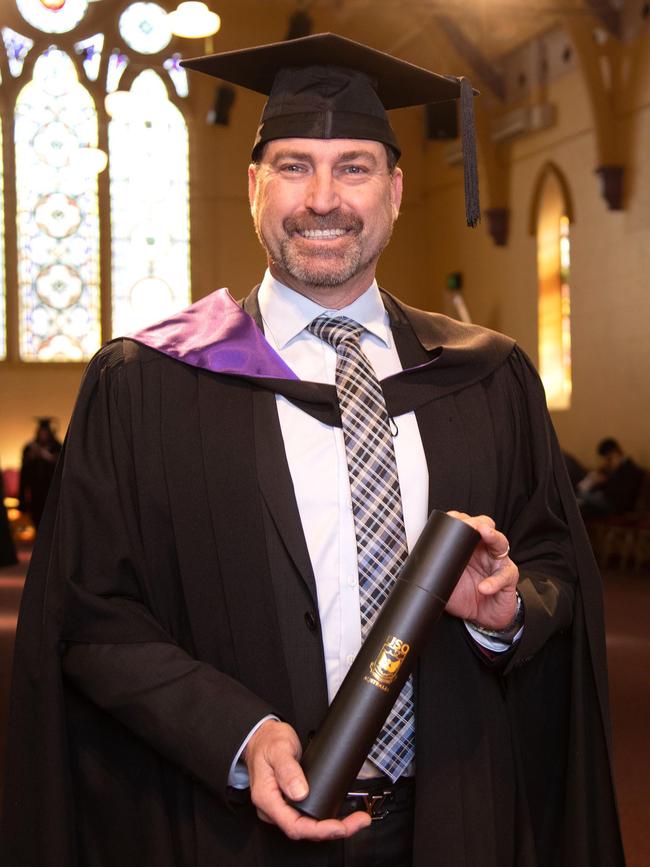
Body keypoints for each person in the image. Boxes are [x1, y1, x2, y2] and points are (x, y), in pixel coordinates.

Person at [1, 33, 625, 867]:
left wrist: (511, 613)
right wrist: (241, 732)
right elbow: (93, 615)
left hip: (456, 813)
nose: (323, 198)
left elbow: (556, 560)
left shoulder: (487, 378)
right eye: (294, 165)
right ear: (254, 184)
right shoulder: (147, 384)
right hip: (234, 829)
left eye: (355, 167)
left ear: (398, 192)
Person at [577, 437, 645, 518]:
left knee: (580, 495)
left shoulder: (630, 469)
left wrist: (605, 482)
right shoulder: (618, 469)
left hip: (616, 505)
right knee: (582, 505)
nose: (607, 463)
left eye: (609, 459)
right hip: (608, 501)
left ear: (616, 453)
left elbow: (621, 494)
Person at [17, 417, 62, 530]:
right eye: (41, 432)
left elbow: (61, 465)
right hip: (35, 490)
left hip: (51, 489)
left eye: (45, 432)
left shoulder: (57, 447)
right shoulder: (30, 448)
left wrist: (46, 456)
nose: (43, 435)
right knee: (37, 518)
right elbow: (24, 472)